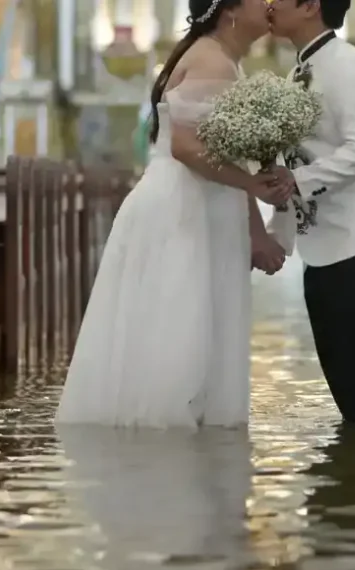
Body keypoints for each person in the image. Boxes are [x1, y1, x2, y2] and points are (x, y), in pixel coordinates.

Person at [56, 0, 290, 428]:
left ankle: (190, 442)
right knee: (177, 325)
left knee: (193, 321)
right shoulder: (212, 62)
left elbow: (227, 154)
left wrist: (254, 224)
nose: (270, 3)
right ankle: (167, 450)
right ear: (229, 10)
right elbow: (185, 147)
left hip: (201, 202)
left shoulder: (222, 60)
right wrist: (252, 187)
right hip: (182, 206)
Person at [267, 0, 355, 427]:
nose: (270, 4)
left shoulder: (350, 67)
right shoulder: (299, 73)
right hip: (324, 246)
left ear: (310, 6)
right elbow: (295, 161)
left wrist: (298, 182)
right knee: (342, 378)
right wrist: (279, 238)